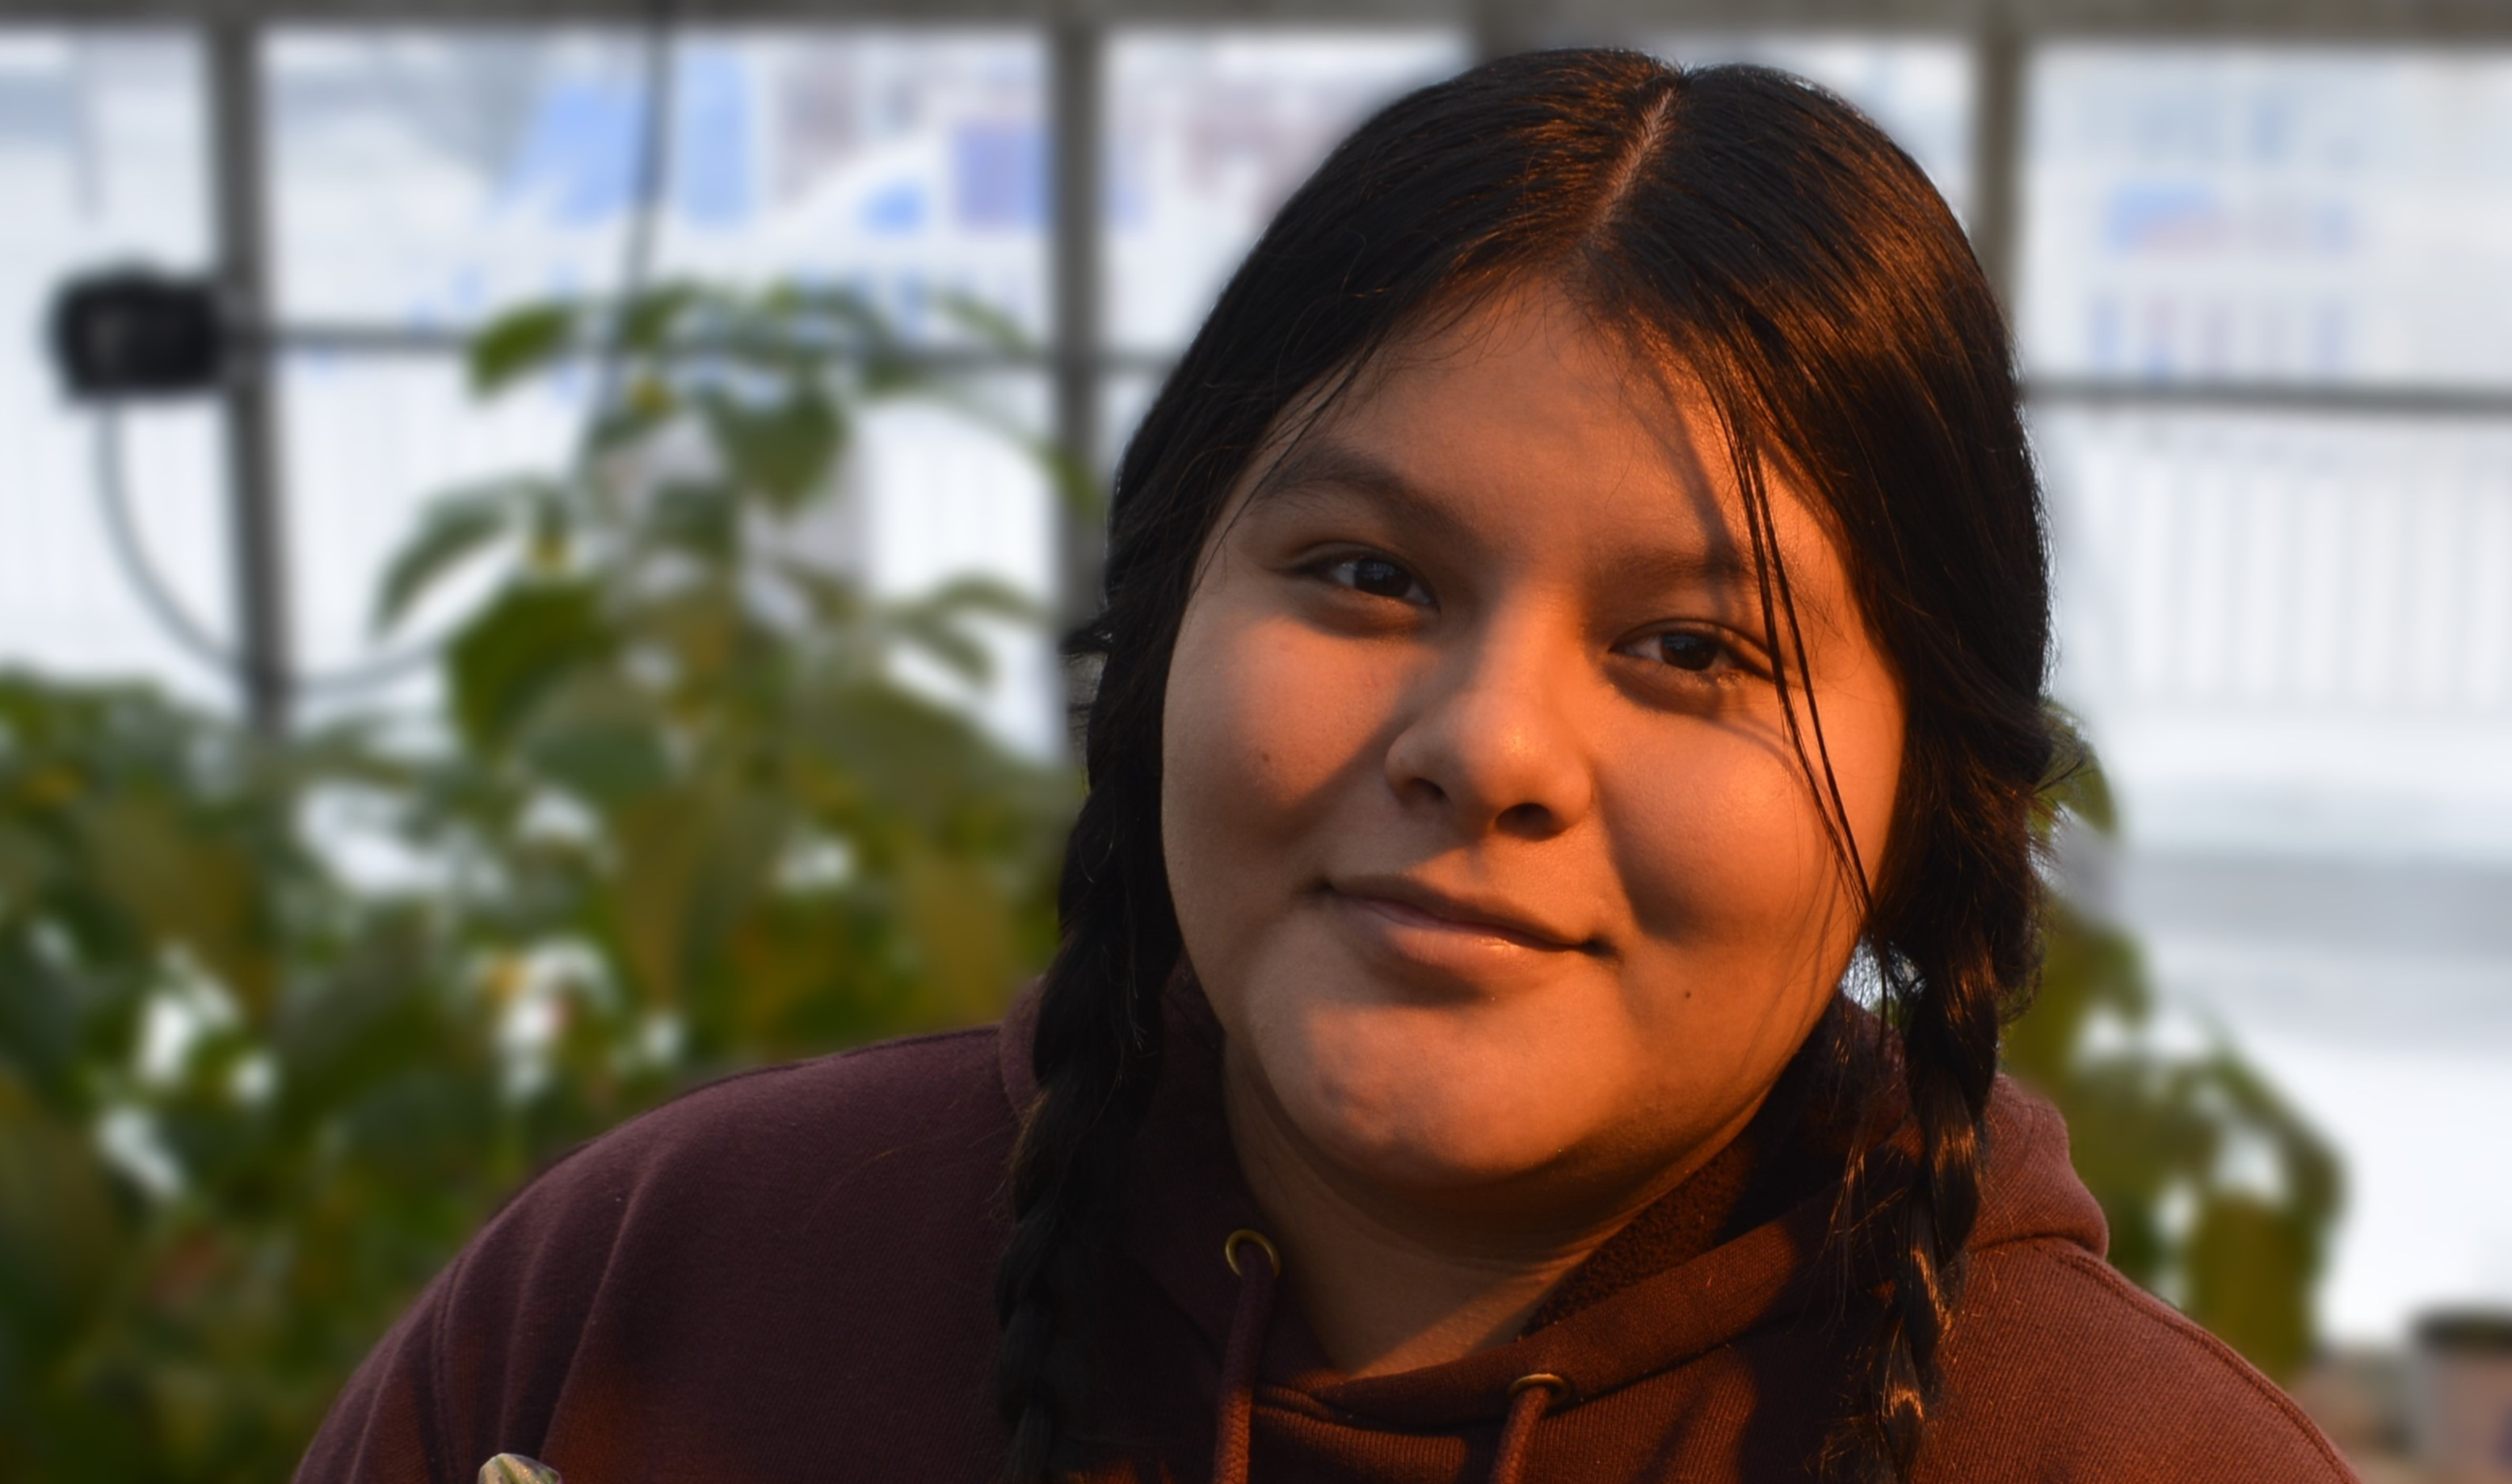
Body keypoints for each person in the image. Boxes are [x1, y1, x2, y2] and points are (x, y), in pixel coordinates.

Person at [297, 48, 2356, 1484]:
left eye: (1691, 647)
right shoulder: (647, 1312)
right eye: (1365, 572)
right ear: (1159, 635)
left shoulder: (2135, 1464)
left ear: (1929, 803)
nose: (1483, 746)